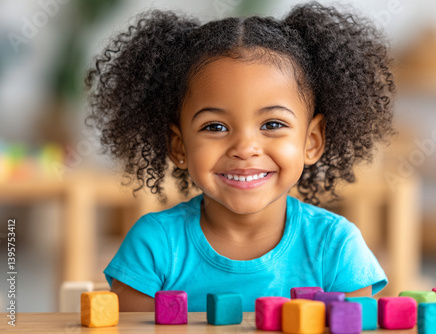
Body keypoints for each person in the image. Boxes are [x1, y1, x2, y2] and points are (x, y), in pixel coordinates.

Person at [85, 1, 395, 312]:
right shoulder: (154, 246)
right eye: (215, 126)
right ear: (178, 146)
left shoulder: (336, 247)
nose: (245, 148)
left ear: (311, 141)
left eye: (272, 124)